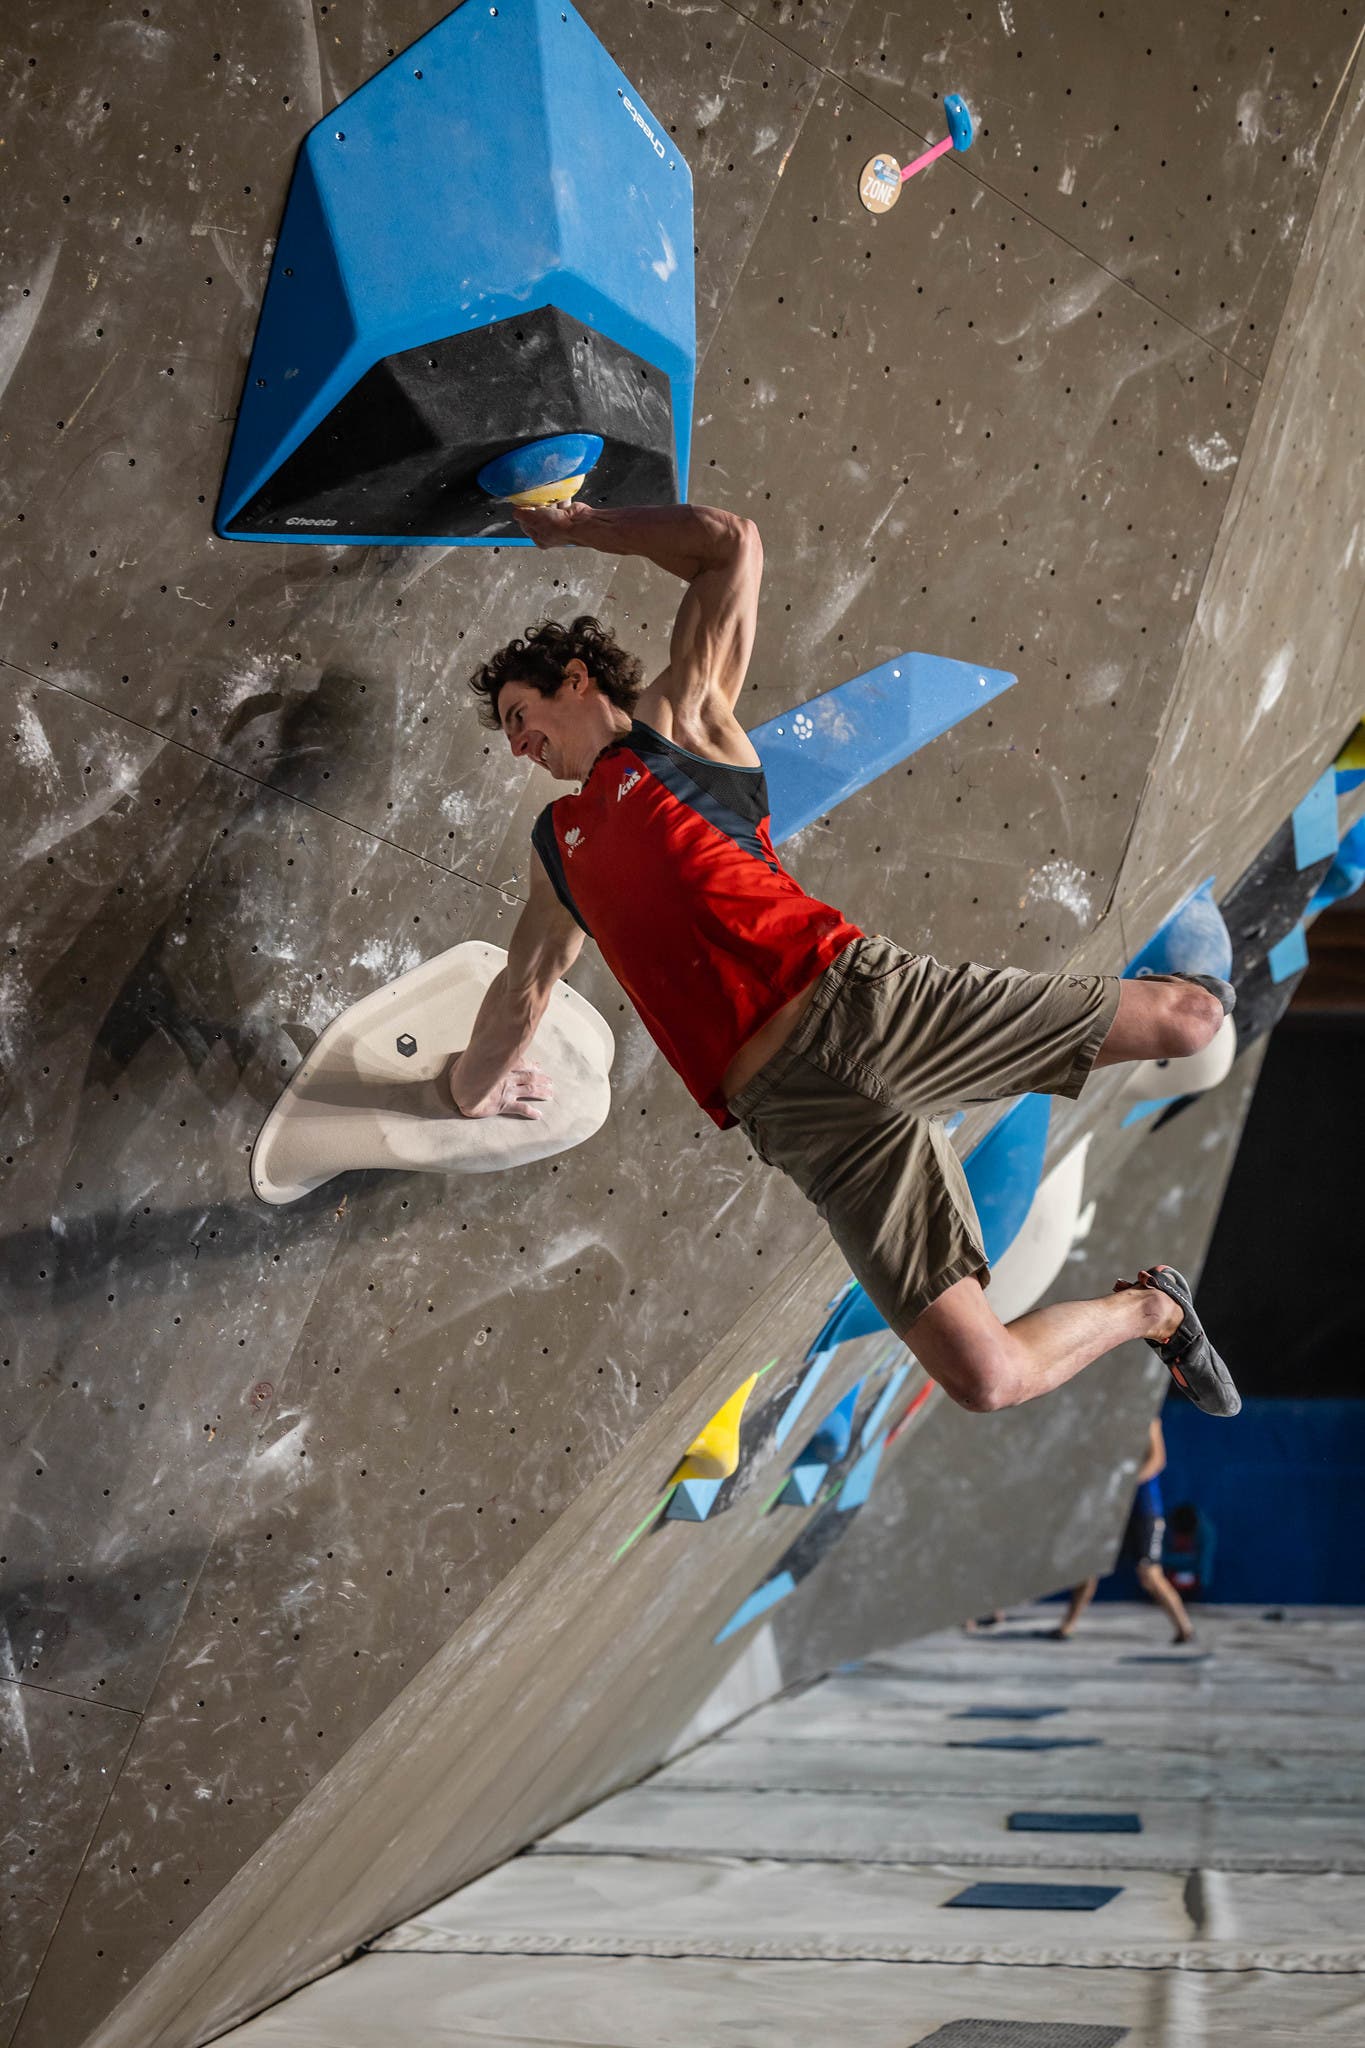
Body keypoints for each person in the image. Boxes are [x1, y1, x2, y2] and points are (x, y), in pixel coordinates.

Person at [447, 498, 1241, 1421]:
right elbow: (524, 989)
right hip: (803, 1123)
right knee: (985, 1379)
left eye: (516, 713)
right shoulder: (560, 846)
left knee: (1191, 1023)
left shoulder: (677, 728)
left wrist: (578, 526)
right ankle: (1154, 1310)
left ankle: (1179, 960)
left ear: (576, 678)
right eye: (504, 733)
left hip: (867, 1008)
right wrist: (470, 1093)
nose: (515, 744)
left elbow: (729, 546)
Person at [1054, 1417, 1197, 1643]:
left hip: (1143, 1509)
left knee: (1149, 1573)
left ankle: (1184, 1628)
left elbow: (1157, 1460)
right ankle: (1067, 1626)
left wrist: (1125, 1483)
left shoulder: (1148, 1418)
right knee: (1088, 1567)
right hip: (1112, 1509)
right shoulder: (1108, 1420)